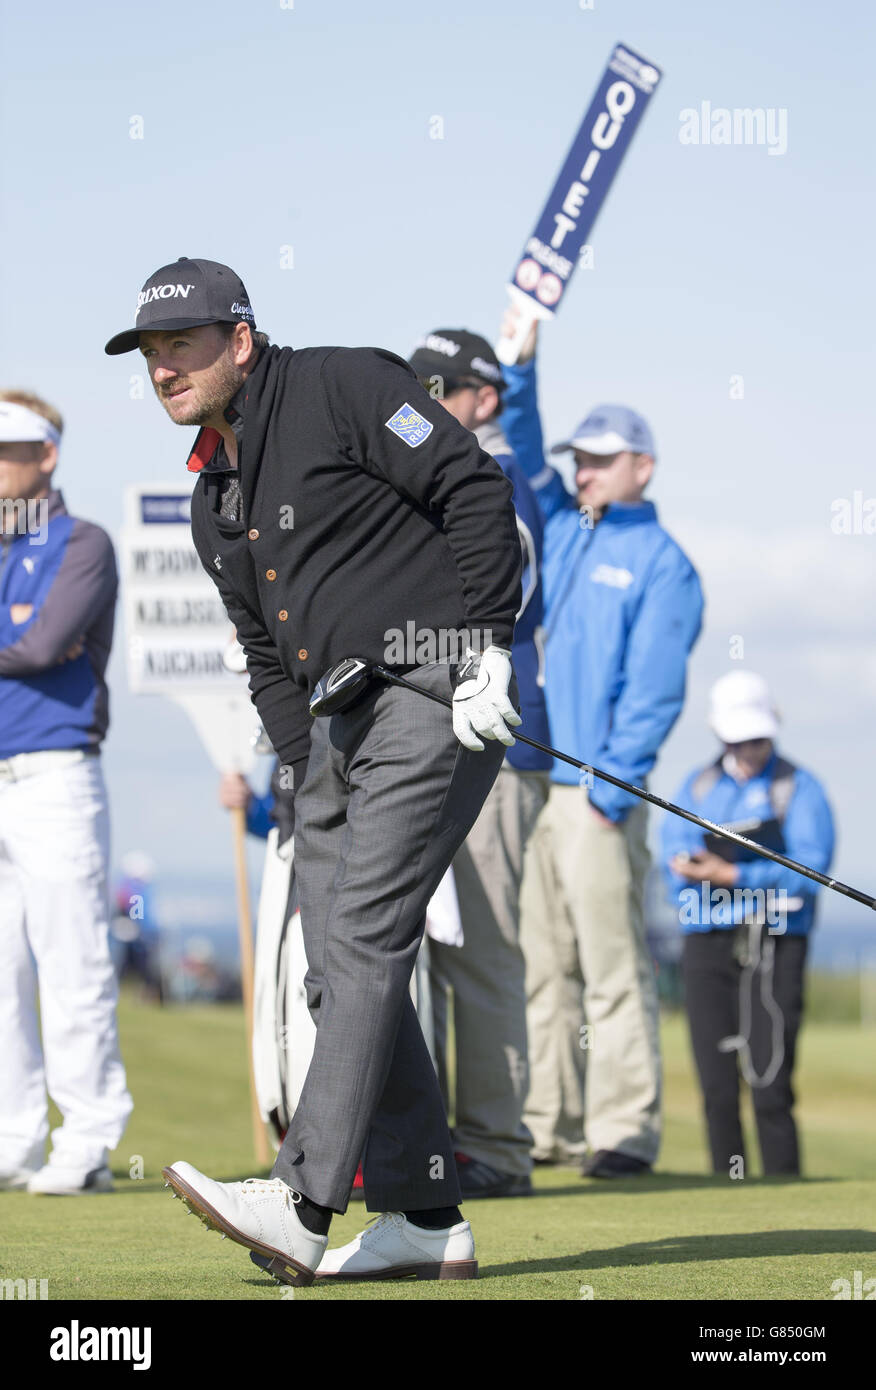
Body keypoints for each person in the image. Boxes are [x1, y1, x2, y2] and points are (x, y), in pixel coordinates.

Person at [104, 257, 523, 1286]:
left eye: (182, 347)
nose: (165, 368)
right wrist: (301, 778)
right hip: (333, 740)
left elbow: (473, 487)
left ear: (238, 342)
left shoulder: (344, 384)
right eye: (152, 355)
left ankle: (300, 1203)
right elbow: (264, 651)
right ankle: (426, 1212)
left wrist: (486, 644)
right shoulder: (215, 496)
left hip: (434, 692)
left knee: (368, 935)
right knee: (338, 968)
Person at [500, 315, 704, 1177]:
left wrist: (609, 794)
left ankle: (624, 1130)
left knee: (613, 969)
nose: (583, 469)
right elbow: (522, 440)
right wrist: (522, 365)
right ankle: (548, 1124)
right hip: (544, 785)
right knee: (544, 971)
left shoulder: (664, 562)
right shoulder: (568, 525)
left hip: (598, 794)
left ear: (642, 467)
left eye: (601, 459)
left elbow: (653, 696)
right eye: (581, 458)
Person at [407, 329, 551, 1199]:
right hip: (441, 722)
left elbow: (508, 590)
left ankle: (497, 1146)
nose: (425, 399)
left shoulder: (497, 477)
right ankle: (447, 1143)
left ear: (483, 397)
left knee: (484, 948)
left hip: (492, 726)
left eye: (441, 386)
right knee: (424, 948)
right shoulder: (441, 469)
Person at [0, 391, 133, 1194]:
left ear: (47, 455)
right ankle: (15, 1139)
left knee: (72, 962)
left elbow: (47, 643)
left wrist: (24, 638)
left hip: (54, 774)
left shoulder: (83, 542)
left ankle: (85, 1139)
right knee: (2, 971)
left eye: (10, 448)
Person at [661, 670, 835, 1176]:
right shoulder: (696, 785)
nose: (749, 749)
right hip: (707, 943)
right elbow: (672, 856)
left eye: (758, 738)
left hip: (777, 942)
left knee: (771, 1081)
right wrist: (692, 869)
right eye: (739, 739)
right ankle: (728, 1187)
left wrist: (734, 874)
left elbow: (811, 870)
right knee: (717, 1083)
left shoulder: (799, 787)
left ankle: (783, 1186)